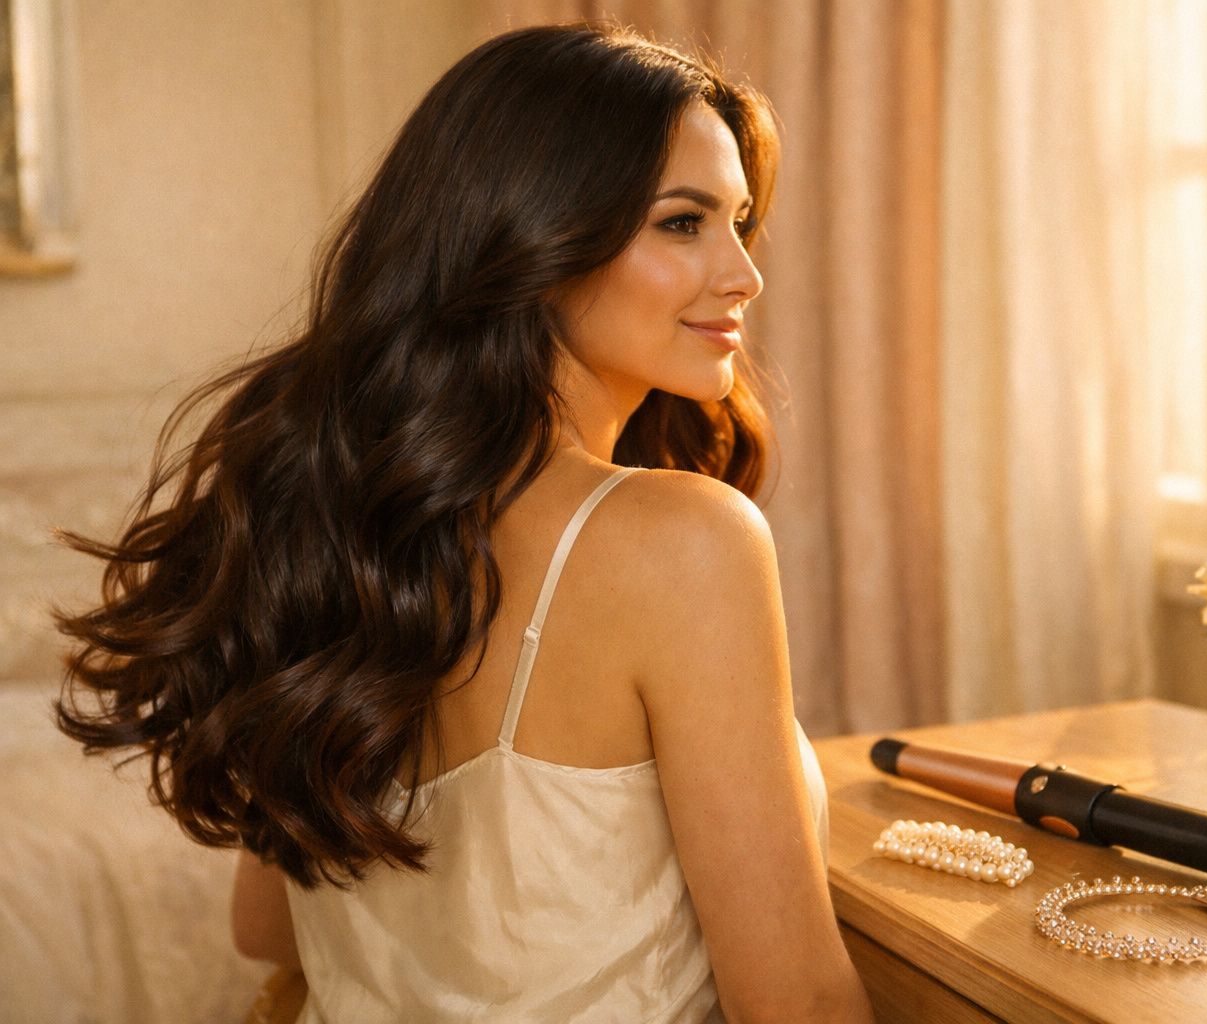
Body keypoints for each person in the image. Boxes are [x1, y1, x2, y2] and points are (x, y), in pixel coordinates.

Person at [55, 23, 874, 1023]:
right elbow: (796, 1001)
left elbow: (267, 932)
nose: (743, 274)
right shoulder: (686, 542)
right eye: (682, 222)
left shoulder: (337, 525)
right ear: (530, 237)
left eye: (740, 222)